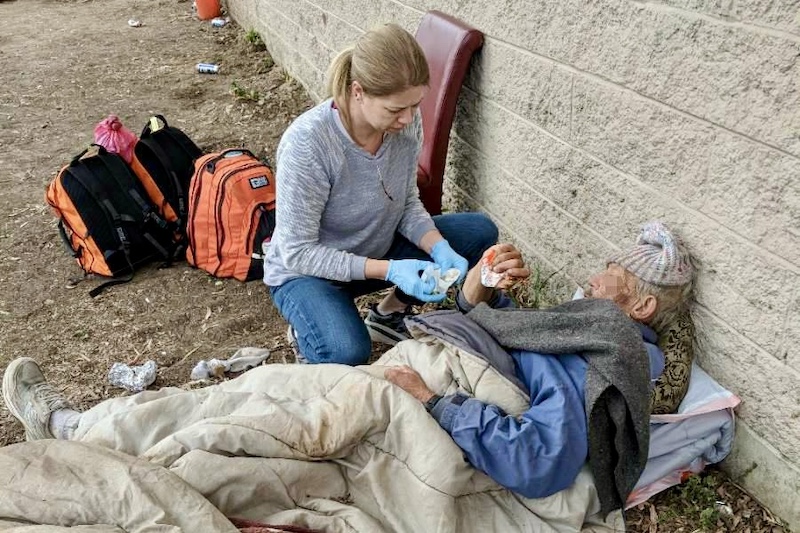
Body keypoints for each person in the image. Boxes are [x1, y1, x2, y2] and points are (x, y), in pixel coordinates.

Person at [384, 220, 695, 513]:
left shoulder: (612, 352)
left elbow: (536, 460)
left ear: (642, 307)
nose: (593, 280)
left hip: (437, 384)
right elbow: (536, 339)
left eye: (612, 276)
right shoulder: (592, 332)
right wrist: (485, 286)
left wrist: (432, 401)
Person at [262, 23, 498, 365]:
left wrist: (439, 247)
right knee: (347, 351)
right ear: (358, 92)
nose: (408, 118)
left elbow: (405, 204)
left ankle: (389, 314)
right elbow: (298, 251)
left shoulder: (403, 122)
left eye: (416, 105)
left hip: (374, 249)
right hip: (310, 272)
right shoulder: (309, 144)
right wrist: (390, 270)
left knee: (479, 232)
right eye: (395, 110)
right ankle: (308, 327)